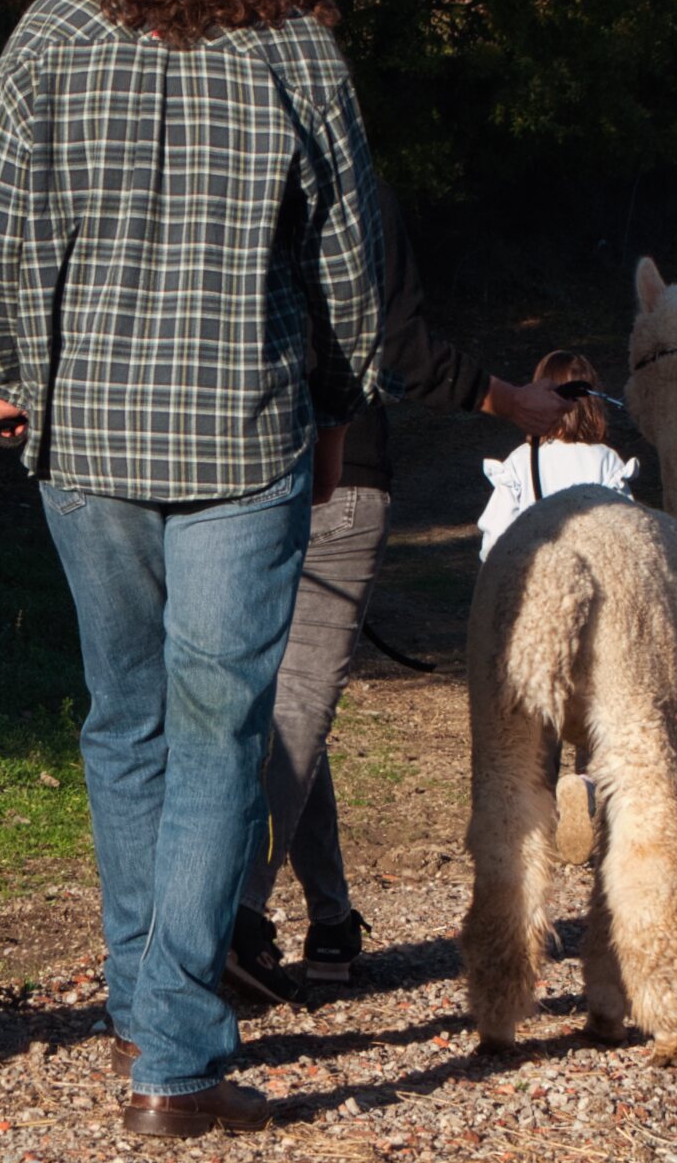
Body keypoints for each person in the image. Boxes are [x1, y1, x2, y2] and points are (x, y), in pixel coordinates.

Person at [0, 0, 388, 1139]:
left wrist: (12, 374)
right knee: (216, 736)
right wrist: (342, 403)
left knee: (123, 721)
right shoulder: (297, 54)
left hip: (85, 437)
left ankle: (150, 1012)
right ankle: (176, 1055)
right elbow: (351, 273)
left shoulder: (51, 33)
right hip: (243, 437)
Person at [223, 191, 569, 1007]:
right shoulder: (354, 199)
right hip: (339, 469)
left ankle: (329, 919)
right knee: (299, 702)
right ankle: (232, 917)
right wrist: (509, 400)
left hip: (219, 468)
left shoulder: (214, 165)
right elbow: (399, 344)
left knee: (284, 706)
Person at [474, 350, 638, 561]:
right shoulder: (605, 459)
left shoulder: (519, 462)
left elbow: (495, 539)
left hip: (534, 579)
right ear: (591, 404)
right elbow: (627, 530)